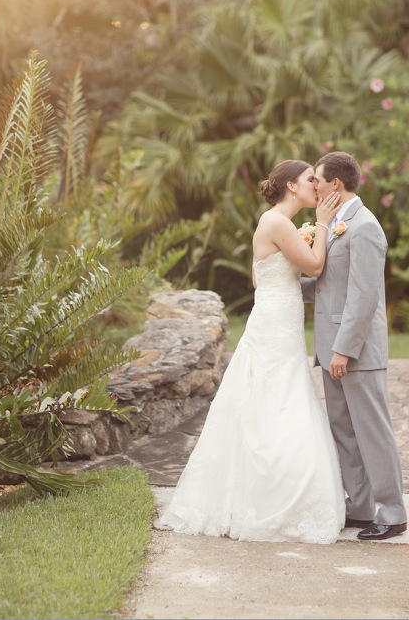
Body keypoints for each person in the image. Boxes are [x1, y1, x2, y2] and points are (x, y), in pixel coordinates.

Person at [158, 160, 346, 543]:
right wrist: (323, 225)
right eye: (311, 180)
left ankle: (269, 493)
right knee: (278, 397)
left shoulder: (275, 222)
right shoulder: (278, 222)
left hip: (278, 318)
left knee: (274, 396)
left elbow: (260, 277)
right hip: (276, 324)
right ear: (292, 186)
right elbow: (313, 266)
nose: (317, 186)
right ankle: (269, 500)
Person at [301, 151, 407, 541]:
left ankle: (393, 512)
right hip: (330, 348)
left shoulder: (365, 227)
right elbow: (329, 283)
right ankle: (360, 505)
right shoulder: (333, 224)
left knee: (372, 430)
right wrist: (284, 286)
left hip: (355, 351)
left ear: (336, 185)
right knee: (343, 429)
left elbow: (364, 296)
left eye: (317, 179)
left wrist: (344, 349)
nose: (312, 185)